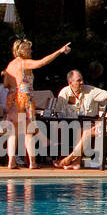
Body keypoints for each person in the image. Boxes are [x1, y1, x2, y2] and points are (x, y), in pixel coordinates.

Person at [3, 38, 70, 169]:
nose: (30, 51)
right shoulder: (23, 63)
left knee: (13, 132)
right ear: (21, 50)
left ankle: (11, 161)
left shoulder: (10, 65)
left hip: (12, 99)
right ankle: (32, 162)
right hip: (24, 99)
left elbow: (6, 84)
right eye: (28, 48)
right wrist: (59, 51)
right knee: (29, 132)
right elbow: (41, 63)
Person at [55, 70, 107, 169]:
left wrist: (104, 120)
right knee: (83, 130)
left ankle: (70, 158)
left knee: (87, 132)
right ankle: (76, 162)